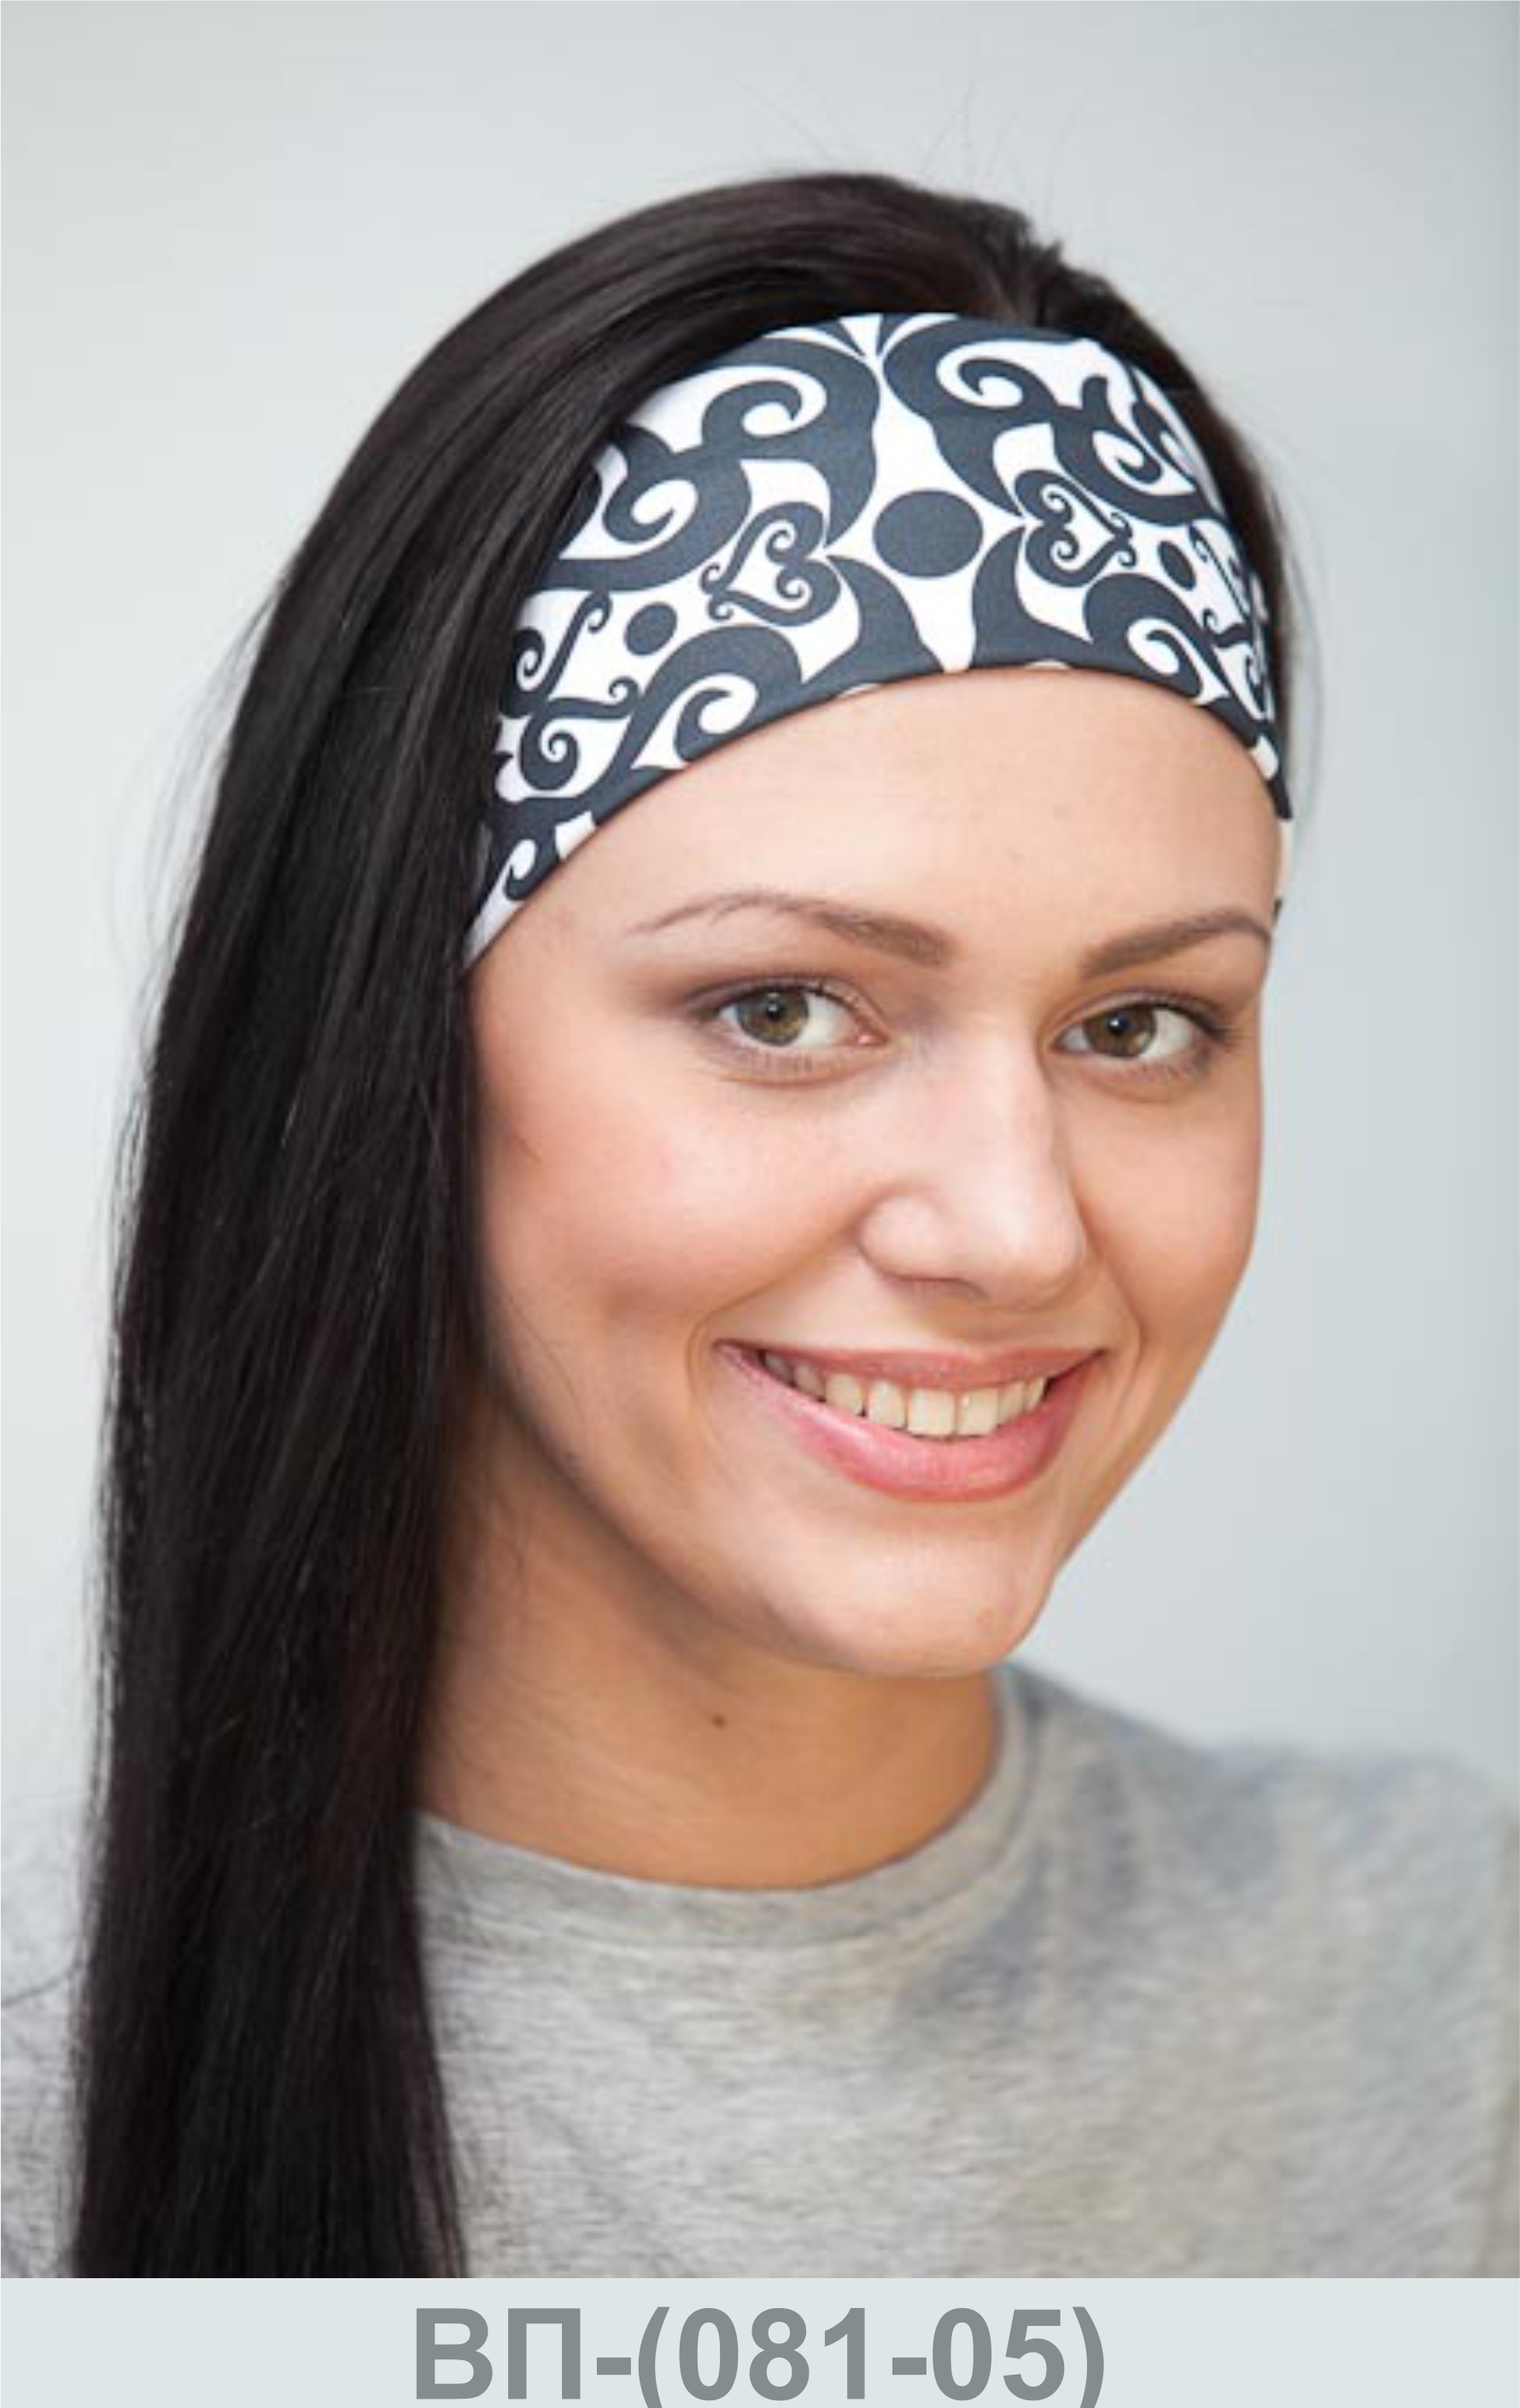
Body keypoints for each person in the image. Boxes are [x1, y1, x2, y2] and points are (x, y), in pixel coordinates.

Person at [3, 169, 1515, 2279]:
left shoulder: (1454, 2007)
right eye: (783, 1007)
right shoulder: (42, 2110)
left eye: (1137, 1022)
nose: (1013, 1225)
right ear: (391, 1058)